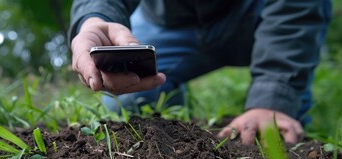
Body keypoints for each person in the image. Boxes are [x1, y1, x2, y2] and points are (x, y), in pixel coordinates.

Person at [69, 0, 331, 145]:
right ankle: (172, 113)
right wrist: (94, 17)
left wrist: (273, 98)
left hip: (255, 11)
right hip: (168, 21)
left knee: (279, 128)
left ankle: (289, 110)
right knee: (126, 100)